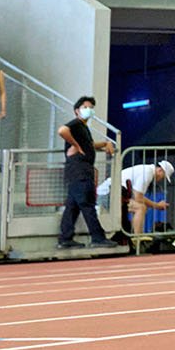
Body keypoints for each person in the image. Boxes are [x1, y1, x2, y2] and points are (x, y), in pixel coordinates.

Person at [56, 96, 120, 249]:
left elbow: (90, 145)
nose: (89, 109)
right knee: (87, 203)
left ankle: (65, 238)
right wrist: (75, 144)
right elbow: (62, 130)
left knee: (73, 205)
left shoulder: (83, 128)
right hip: (80, 170)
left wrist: (105, 143)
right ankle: (97, 237)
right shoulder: (77, 124)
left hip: (78, 171)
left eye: (90, 107)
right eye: (85, 107)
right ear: (77, 111)